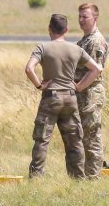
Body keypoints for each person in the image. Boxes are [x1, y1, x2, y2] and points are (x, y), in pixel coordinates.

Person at [24, 13, 102, 179]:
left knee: (42, 140)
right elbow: (96, 69)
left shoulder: (43, 47)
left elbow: (29, 69)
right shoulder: (76, 49)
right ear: (66, 30)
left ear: (49, 29)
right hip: (70, 98)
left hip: (50, 98)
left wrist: (39, 85)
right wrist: (79, 86)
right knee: (74, 142)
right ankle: (78, 178)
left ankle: (36, 176)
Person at [75, 3, 108, 178]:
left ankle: (93, 176)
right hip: (84, 94)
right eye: (79, 16)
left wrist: (79, 86)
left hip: (90, 93)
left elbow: (96, 71)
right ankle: (87, 174)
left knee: (91, 135)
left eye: (85, 17)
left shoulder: (95, 41)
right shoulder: (84, 40)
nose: (81, 20)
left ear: (95, 17)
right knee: (84, 135)